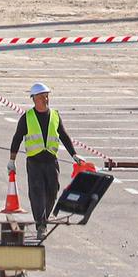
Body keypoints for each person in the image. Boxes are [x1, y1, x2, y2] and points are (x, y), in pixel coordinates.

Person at [8, 82, 85, 237]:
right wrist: (12, 160)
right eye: (42, 97)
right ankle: (41, 225)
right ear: (34, 99)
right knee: (37, 193)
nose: (45, 99)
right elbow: (17, 138)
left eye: (47, 96)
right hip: (34, 162)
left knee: (52, 191)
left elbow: (64, 136)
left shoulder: (55, 116)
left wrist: (74, 154)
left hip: (51, 161)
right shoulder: (27, 118)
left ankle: (44, 218)